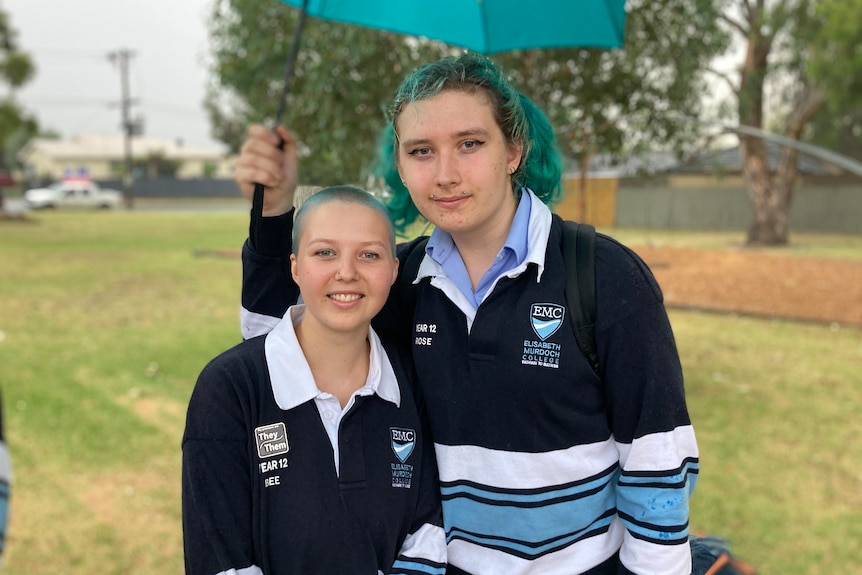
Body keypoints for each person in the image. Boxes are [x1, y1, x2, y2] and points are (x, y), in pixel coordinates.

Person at [234, 53, 699, 575]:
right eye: (422, 151)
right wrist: (273, 209)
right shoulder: (398, 282)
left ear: (513, 150)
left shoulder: (606, 276)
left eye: (470, 144)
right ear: (402, 165)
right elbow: (278, 347)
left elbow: (659, 465)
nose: (446, 174)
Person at [182, 186, 447, 575]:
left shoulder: (411, 382)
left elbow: (428, 530)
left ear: (392, 270)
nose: (346, 272)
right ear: (294, 267)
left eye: (369, 255)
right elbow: (219, 558)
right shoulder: (230, 388)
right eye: (325, 252)